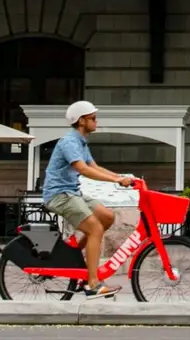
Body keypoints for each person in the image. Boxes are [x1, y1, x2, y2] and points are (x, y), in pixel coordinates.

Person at [41, 100, 135, 298]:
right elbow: (83, 169)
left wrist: (120, 177)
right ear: (81, 121)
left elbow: (94, 167)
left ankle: (72, 252)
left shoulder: (81, 142)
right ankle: (92, 284)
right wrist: (117, 180)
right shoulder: (69, 142)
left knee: (107, 217)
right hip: (59, 195)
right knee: (95, 228)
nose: (96, 121)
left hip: (72, 192)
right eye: (93, 118)